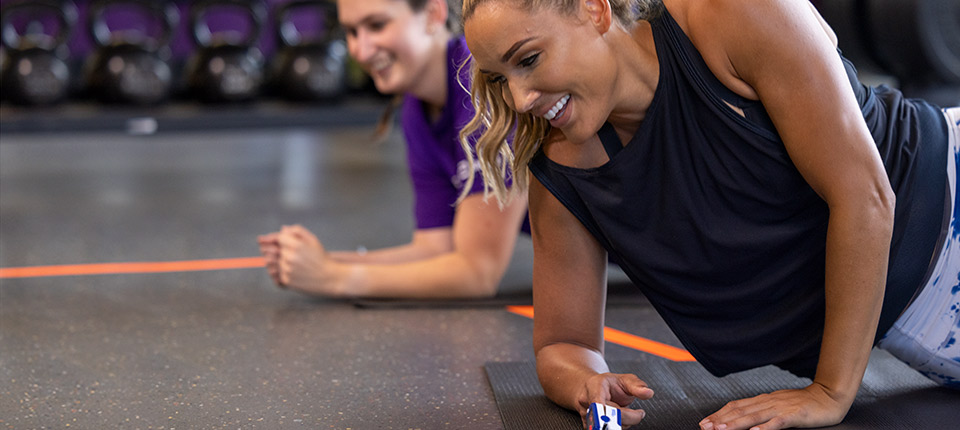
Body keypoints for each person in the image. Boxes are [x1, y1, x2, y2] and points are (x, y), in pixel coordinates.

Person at [458, 0, 960, 429]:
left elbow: (866, 197)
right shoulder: (567, 171)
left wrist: (829, 391)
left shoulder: (726, 15)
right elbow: (563, 343)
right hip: (925, 334)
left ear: (594, 9)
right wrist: (585, 382)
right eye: (501, 79)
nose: (520, 99)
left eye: (528, 59)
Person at [257, 0, 528, 299]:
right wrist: (323, 261)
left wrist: (333, 277)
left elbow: (477, 272)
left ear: (433, 14)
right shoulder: (417, 108)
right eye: (351, 31)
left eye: (377, 25)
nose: (361, 50)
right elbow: (435, 248)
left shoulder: (478, 85)